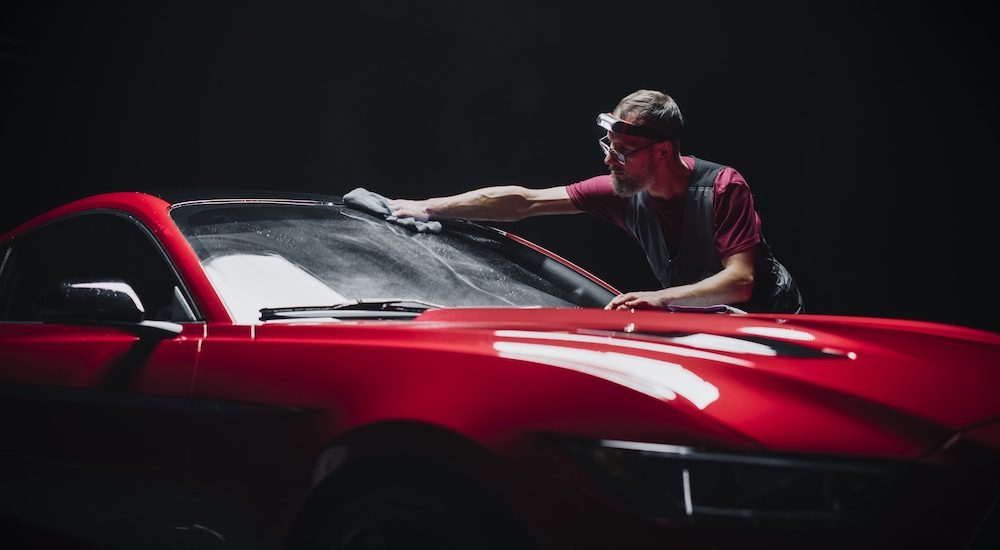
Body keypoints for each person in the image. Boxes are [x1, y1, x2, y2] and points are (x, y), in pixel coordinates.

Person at [388, 89, 803, 313]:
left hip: (772, 319)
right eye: (609, 144)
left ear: (662, 151)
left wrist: (659, 298)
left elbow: (741, 283)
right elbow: (524, 202)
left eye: (623, 150)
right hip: (698, 317)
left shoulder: (723, 187)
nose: (609, 158)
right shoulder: (622, 192)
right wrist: (430, 206)